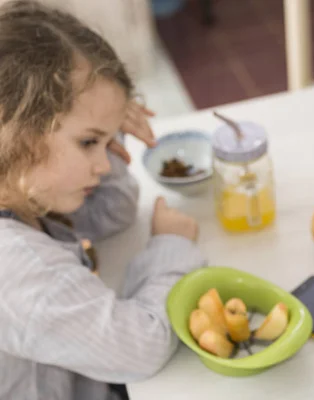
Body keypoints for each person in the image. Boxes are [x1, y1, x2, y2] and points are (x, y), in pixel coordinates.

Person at [0, 1, 205, 399]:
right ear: (16, 131)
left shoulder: (20, 187)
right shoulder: (17, 268)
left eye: (107, 142)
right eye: (89, 142)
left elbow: (114, 213)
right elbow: (143, 347)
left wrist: (107, 132)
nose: (105, 166)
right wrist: (172, 248)